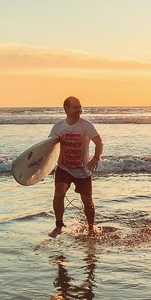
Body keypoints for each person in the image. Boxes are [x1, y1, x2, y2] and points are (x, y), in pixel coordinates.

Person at [48, 96, 103, 237]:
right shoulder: (58, 127)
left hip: (82, 171)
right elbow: (49, 148)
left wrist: (95, 158)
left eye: (80, 107)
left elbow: (99, 143)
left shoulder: (86, 126)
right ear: (66, 109)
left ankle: (91, 227)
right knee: (58, 194)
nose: (79, 110)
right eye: (75, 107)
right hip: (64, 168)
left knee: (88, 202)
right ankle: (59, 226)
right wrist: (42, 169)